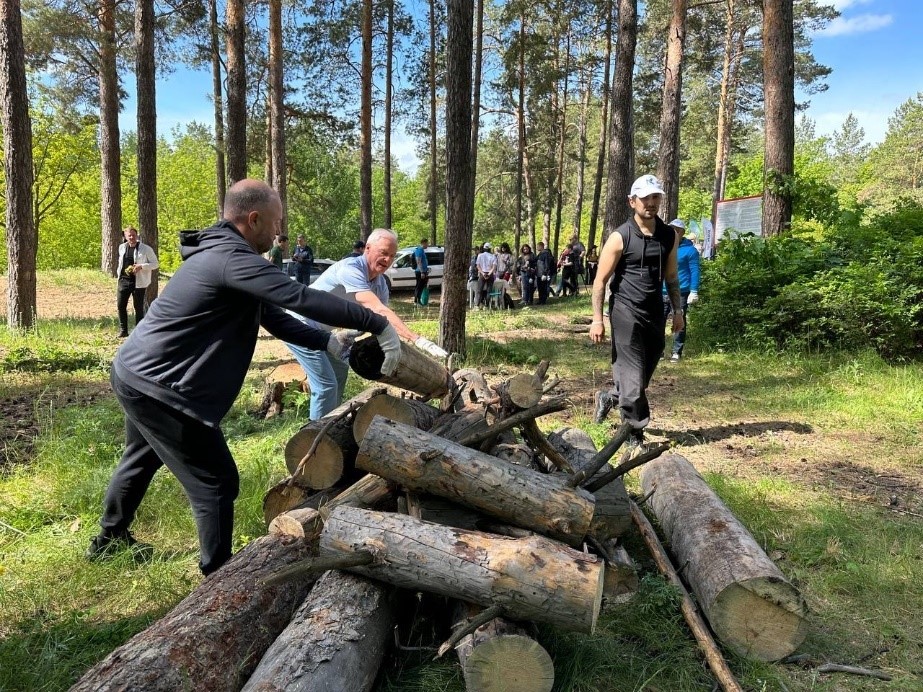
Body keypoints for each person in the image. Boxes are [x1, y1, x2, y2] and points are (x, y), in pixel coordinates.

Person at [86, 180, 402, 576]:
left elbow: (272, 315)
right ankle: (218, 577)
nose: (278, 233)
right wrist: (377, 323)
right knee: (216, 483)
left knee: (140, 458)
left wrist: (327, 341)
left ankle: (109, 540)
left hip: (137, 373)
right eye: (275, 223)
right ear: (253, 220)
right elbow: (298, 297)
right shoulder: (232, 259)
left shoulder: (226, 256)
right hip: (161, 387)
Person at [286, 228, 448, 420]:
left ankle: (330, 423)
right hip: (298, 323)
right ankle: (315, 437)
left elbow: (378, 321)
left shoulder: (380, 284)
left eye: (391, 255)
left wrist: (352, 334)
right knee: (326, 384)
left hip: (322, 331)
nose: (387, 260)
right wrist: (417, 339)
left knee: (339, 371)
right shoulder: (351, 269)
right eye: (383, 253)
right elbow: (378, 310)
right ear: (368, 249)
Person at [589, 174, 684, 452]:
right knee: (631, 375)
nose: (651, 203)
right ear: (632, 201)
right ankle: (633, 434)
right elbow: (600, 281)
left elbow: (671, 275)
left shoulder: (668, 235)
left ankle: (610, 397)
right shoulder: (620, 237)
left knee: (642, 374)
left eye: (656, 197)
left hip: (655, 310)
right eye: (645, 198)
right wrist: (597, 319)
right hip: (624, 310)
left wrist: (678, 311)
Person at [662, 219, 701, 363]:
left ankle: (676, 351)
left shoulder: (690, 250)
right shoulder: (664, 247)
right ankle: (659, 351)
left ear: (681, 232)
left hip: (681, 292)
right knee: (659, 321)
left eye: (675, 230)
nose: (673, 233)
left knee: (679, 321)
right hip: (662, 291)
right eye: (671, 229)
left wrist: (694, 290)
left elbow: (695, 271)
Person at [116, 226, 159, 338]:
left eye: (133, 235)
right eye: (129, 235)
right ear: (125, 236)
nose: (131, 237)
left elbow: (155, 264)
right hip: (123, 280)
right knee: (121, 305)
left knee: (138, 307)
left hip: (139, 282)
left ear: (137, 235)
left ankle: (139, 332)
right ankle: (123, 330)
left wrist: (141, 266)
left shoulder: (146, 249)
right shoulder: (122, 247)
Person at [475, 242, 498, 307]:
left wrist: (483, 273)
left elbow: (478, 266)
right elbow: (494, 267)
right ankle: (487, 305)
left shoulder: (480, 255)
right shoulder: (493, 256)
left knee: (479, 290)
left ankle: (477, 305)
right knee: (489, 291)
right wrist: (489, 274)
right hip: (490, 275)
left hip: (482, 274)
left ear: (484, 248)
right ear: (490, 249)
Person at [413, 237, 430, 305]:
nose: (427, 245)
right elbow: (418, 262)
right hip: (420, 272)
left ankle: (419, 300)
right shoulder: (419, 250)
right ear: (423, 243)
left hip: (423, 271)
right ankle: (416, 301)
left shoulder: (422, 250)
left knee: (422, 286)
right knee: (419, 286)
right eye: (427, 243)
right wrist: (422, 272)